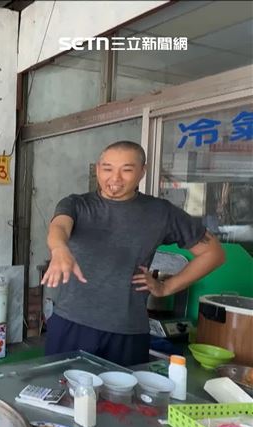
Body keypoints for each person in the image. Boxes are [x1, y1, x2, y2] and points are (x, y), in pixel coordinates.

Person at [41, 141, 225, 366]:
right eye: (107, 169)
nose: (115, 178)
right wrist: (59, 249)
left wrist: (166, 287)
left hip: (128, 331)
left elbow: (213, 253)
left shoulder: (161, 212)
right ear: (98, 169)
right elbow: (59, 227)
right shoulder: (77, 204)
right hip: (71, 324)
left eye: (126, 170)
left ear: (142, 172)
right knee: (59, 394)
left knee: (121, 400)